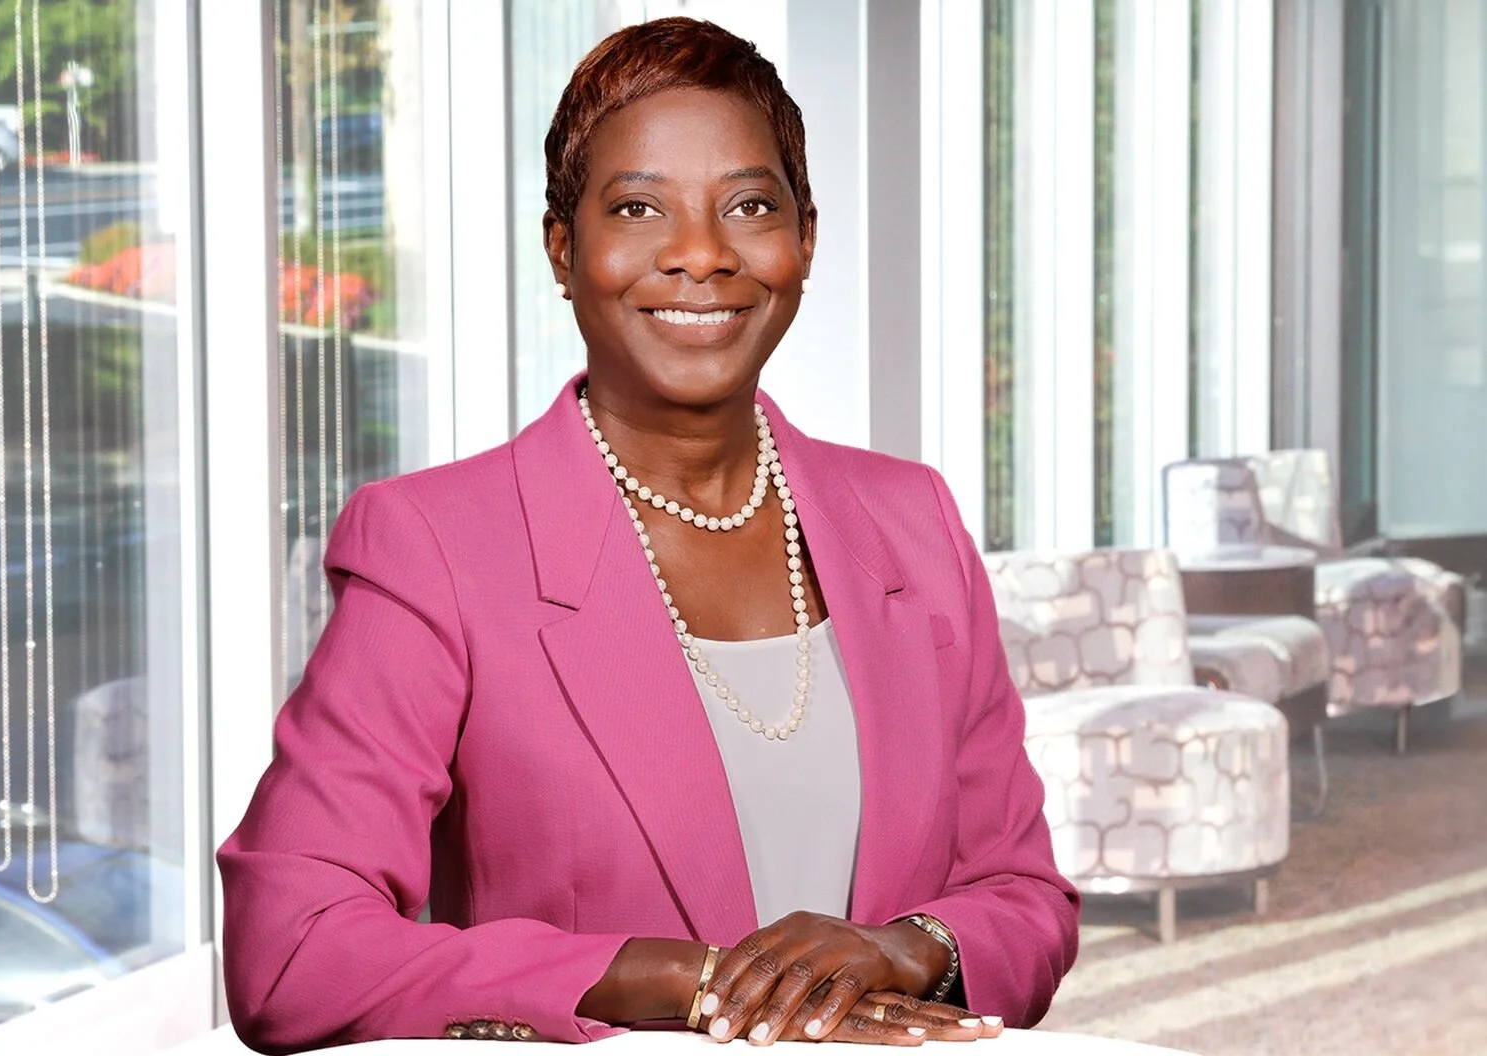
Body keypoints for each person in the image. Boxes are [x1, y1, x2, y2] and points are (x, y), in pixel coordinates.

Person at [218, 17, 1079, 1052]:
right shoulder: (434, 548)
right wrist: (674, 978)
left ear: (803, 237)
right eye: (638, 209)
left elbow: (1025, 896)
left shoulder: (914, 521)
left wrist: (906, 948)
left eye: (749, 207)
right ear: (563, 247)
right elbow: (290, 950)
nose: (701, 255)